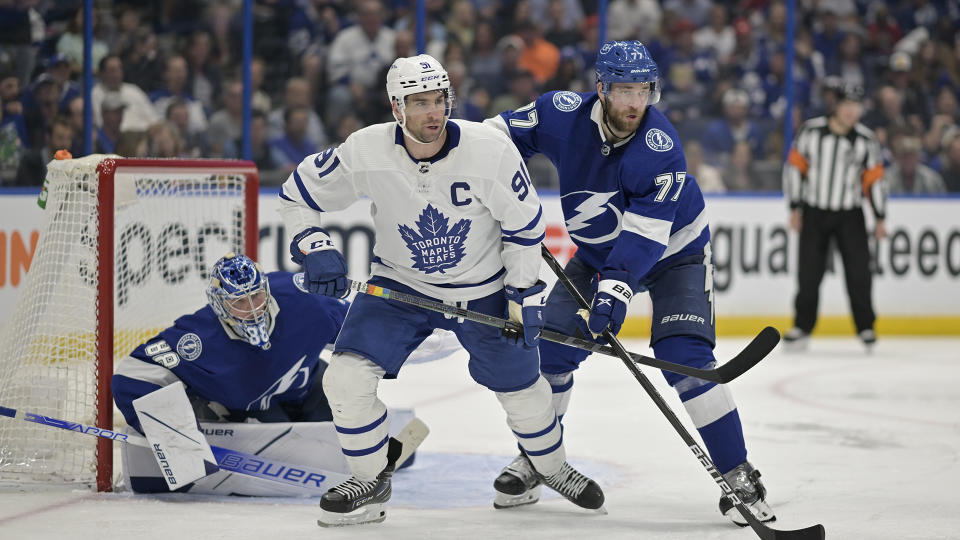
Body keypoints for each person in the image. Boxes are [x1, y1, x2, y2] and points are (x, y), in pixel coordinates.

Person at [278, 54, 604, 527]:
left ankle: (550, 468)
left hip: (483, 288)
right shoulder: (366, 150)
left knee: (523, 390)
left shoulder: (488, 149)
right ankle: (370, 481)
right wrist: (314, 244)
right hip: (399, 285)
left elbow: (524, 227)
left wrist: (522, 297)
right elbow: (296, 194)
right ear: (396, 108)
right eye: (420, 103)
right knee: (344, 378)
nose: (434, 112)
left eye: (440, 100)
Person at [485, 40, 775, 526]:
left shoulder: (660, 147)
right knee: (550, 349)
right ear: (600, 89)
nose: (634, 104)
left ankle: (738, 473)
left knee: (685, 357)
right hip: (597, 255)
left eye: (643, 91)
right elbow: (490, 141)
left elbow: (645, 237)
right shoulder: (559, 114)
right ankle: (540, 459)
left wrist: (613, 293)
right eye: (623, 91)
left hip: (675, 254)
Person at [112, 253, 451, 495]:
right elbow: (133, 374)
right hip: (254, 408)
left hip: (309, 383)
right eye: (239, 303)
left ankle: (367, 448)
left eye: (257, 296)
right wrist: (176, 438)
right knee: (299, 440)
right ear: (219, 304)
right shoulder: (197, 340)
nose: (253, 308)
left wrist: (422, 336)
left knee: (349, 402)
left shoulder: (303, 300)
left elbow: (359, 332)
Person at [782, 83, 887, 349]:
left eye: (856, 106)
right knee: (809, 274)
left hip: (850, 214)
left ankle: (865, 327)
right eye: (847, 105)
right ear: (836, 106)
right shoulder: (811, 131)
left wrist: (880, 216)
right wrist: (795, 207)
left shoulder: (866, 139)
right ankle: (802, 327)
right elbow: (795, 168)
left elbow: (873, 180)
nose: (852, 111)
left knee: (859, 273)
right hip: (815, 211)